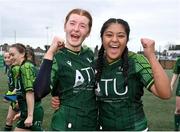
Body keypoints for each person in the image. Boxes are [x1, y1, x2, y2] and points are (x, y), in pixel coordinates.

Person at [51, 18, 171, 131]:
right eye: (109, 35)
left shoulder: (136, 61)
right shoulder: (95, 65)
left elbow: (165, 93)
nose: (114, 40)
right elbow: (78, 89)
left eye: (121, 36)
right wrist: (59, 98)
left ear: (127, 40)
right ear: (102, 38)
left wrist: (151, 55)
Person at [34, 8, 98, 131]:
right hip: (65, 124)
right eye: (72, 23)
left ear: (88, 32)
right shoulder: (57, 57)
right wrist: (51, 51)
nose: (76, 29)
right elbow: (38, 92)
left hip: (91, 123)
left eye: (82, 26)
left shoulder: (88, 54)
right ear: (65, 26)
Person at [8, 43, 44, 131]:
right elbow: (21, 91)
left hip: (33, 112)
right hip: (26, 112)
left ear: (23, 54)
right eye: (9, 55)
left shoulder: (26, 67)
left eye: (13, 55)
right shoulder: (21, 68)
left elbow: (30, 92)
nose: (10, 58)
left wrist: (30, 116)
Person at [3, 51, 19, 131]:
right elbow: (12, 87)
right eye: (5, 57)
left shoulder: (16, 68)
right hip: (15, 98)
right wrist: (8, 94)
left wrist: (9, 97)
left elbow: (19, 86)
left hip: (20, 99)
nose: (6, 59)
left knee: (22, 123)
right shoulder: (10, 69)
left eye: (8, 57)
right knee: (9, 119)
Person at [171, 57, 180, 131]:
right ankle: (176, 129)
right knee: (178, 109)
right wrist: (171, 85)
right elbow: (175, 73)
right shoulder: (179, 60)